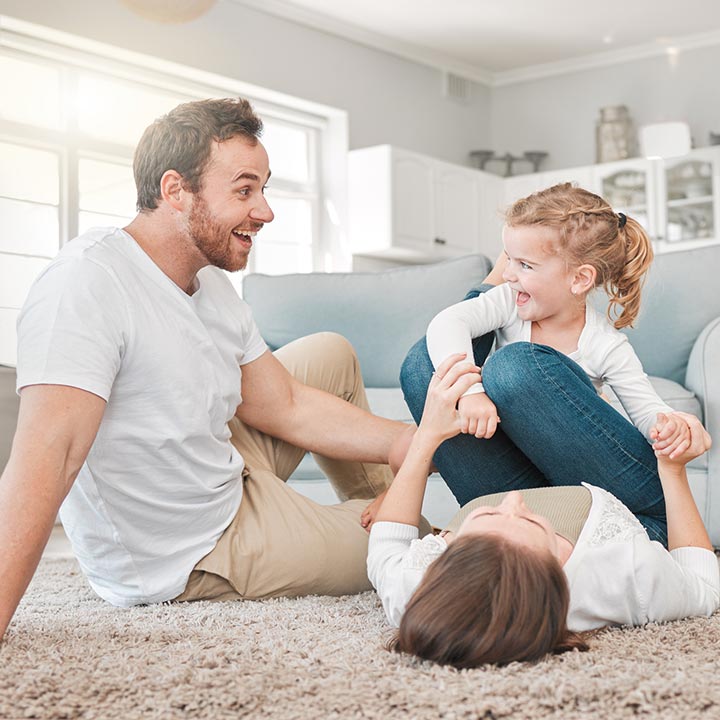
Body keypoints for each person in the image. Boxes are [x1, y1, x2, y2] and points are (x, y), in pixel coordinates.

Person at [0, 97, 407, 641]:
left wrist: (408, 443)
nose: (265, 210)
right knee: (416, 536)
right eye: (244, 190)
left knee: (329, 352)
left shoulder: (210, 280)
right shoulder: (86, 283)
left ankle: (385, 505)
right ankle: (394, 529)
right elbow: (50, 457)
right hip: (194, 547)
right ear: (175, 191)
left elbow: (282, 404)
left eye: (263, 188)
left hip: (222, 468)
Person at [383, 184, 692, 543]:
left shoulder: (605, 344)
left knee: (511, 368)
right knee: (428, 366)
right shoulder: (510, 302)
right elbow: (447, 324)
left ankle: (638, 532)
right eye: (508, 259)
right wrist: (471, 392)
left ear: (579, 279)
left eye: (525, 264)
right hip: (530, 498)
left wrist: (668, 426)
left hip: (602, 496)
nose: (509, 274)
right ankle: (513, 532)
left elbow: (645, 409)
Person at [367, 353, 718, 669]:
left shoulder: (416, 592)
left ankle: (495, 292)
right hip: (628, 505)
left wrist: (426, 437)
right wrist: (673, 470)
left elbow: (387, 544)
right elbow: (705, 587)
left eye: (487, 517)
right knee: (516, 369)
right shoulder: (627, 574)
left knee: (424, 369)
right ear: (558, 577)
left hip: (505, 491)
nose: (514, 501)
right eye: (532, 522)